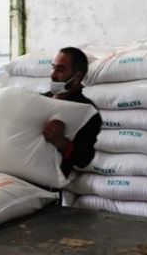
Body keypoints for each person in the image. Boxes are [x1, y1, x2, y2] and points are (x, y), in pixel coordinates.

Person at [42, 47, 102, 176]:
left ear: (77, 77)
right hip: (17, 173)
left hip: (46, 181)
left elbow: (84, 160)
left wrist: (62, 143)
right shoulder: (40, 99)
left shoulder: (86, 112)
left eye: (60, 70)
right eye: (53, 68)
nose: (53, 75)